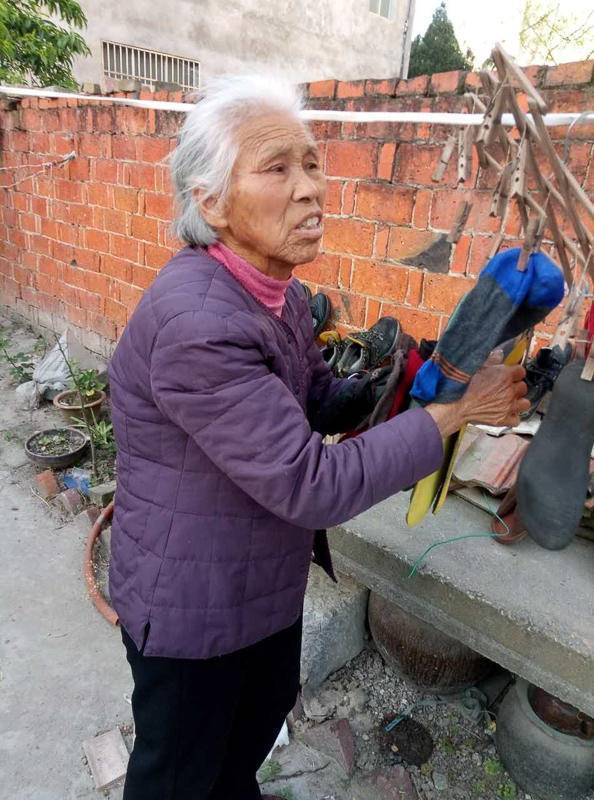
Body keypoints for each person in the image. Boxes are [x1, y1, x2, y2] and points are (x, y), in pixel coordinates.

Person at [108, 74, 529, 800]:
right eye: (278, 168)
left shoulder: (280, 293)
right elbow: (312, 484)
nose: (311, 189)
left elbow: (310, 398)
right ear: (209, 201)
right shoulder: (199, 325)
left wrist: (404, 379)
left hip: (256, 586)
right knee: (178, 776)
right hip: (192, 607)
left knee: (242, 746)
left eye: (312, 163)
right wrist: (453, 416)